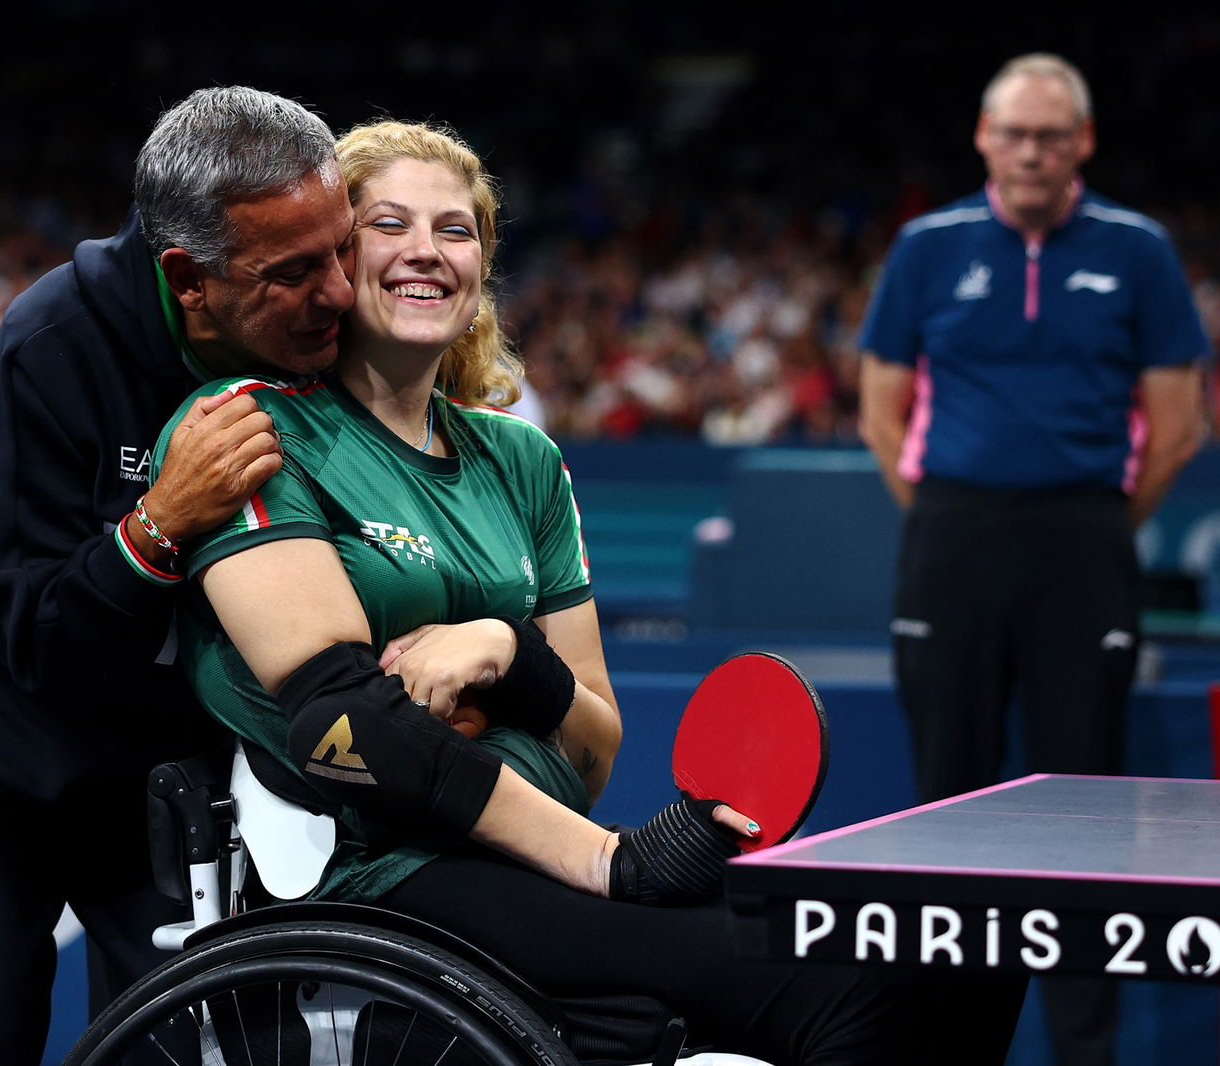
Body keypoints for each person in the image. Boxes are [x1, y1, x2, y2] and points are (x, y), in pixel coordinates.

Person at [155, 119, 1008, 1066]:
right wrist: (610, 862)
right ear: (337, 261)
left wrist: (508, 656)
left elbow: (595, 747)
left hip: (547, 849)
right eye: (389, 224)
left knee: (956, 945)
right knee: (850, 979)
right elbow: (348, 732)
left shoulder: (523, 460)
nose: (427, 252)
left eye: (457, 229)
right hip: (389, 873)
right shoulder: (251, 431)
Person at [0, 86, 357, 1065]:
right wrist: (160, 521)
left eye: (342, 250)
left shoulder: (322, 333)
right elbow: (24, 634)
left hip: (143, 740)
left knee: (195, 1024)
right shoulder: (55, 345)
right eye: (294, 271)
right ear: (188, 278)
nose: (337, 291)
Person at [857, 53, 1208, 1066]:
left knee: (1083, 816)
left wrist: (1087, 527)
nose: (1030, 151)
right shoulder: (927, 247)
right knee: (944, 806)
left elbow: (1176, 428)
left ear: (1082, 145)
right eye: (1013, 133)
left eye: (1051, 135)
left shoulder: (1138, 251)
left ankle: (1082, 1053)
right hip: (952, 540)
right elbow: (882, 411)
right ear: (982, 137)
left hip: (1083, 544)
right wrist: (952, 522)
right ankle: (936, 1044)